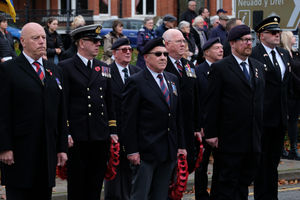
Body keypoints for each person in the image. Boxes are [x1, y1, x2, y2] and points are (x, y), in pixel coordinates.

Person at [0, 22, 68, 200]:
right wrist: (4, 147)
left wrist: (62, 148)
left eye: (44, 38)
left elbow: (60, 112)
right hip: (20, 153)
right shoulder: (9, 69)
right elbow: (3, 112)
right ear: (22, 41)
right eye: (35, 38)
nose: (42, 42)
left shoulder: (54, 70)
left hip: (47, 153)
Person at [204, 25, 265, 199]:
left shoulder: (258, 67)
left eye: (250, 40)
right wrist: (211, 133)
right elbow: (211, 103)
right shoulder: (221, 68)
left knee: (243, 183)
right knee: (227, 184)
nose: (249, 43)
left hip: (252, 138)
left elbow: (259, 101)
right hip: (229, 138)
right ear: (232, 43)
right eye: (244, 40)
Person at [122, 37, 186, 200]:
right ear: (146, 57)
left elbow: (177, 116)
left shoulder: (172, 79)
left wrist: (181, 145)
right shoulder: (136, 81)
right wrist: (132, 150)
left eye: (165, 54)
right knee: (140, 195)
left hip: (168, 149)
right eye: (158, 54)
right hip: (145, 152)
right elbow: (129, 119)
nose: (163, 57)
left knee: (161, 195)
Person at [59, 24, 118, 200]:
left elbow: (109, 101)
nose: (98, 44)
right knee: (77, 186)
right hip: (77, 137)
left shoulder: (103, 67)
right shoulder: (66, 67)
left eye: (99, 41)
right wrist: (66, 131)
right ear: (81, 43)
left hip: (100, 135)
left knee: (95, 185)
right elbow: (63, 103)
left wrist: (113, 130)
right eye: (93, 41)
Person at [251, 16, 299, 200]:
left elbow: (286, 85)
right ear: (262, 35)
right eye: (273, 32)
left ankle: (272, 196)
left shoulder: (283, 54)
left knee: (272, 162)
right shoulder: (254, 54)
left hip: (280, 117)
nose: (277, 35)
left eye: (278, 32)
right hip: (262, 117)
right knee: (261, 162)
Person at [104, 38, 140, 200]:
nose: (127, 52)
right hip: (115, 131)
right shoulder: (106, 72)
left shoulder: (137, 71)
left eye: (130, 50)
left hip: (135, 131)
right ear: (114, 53)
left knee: (134, 177)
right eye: (123, 49)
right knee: (115, 176)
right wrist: (111, 130)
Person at [163, 29, 201, 173]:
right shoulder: (162, 64)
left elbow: (196, 96)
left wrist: (198, 126)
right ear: (167, 44)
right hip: (170, 127)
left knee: (187, 166)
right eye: (178, 41)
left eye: (183, 41)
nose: (183, 44)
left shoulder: (188, 65)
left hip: (188, 125)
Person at [194, 37, 223, 200]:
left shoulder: (225, 69)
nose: (221, 50)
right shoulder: (198, 71)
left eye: (221, 47)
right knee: (201, 165)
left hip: (221, 127)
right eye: (216, 48)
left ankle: (217, 194)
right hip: (204, 128)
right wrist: (199, 126)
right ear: (206, 53)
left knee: (221, 164)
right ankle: (201, 195)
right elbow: (197, 102)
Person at [280, 31, 300, 160]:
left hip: (296, 92)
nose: (295, 38)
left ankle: (293, 148)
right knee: (284, 121)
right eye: (292, 36)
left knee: (293, 121)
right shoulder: (282, 54)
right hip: (287, 92)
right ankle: (282, 149)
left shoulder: (296, 54)